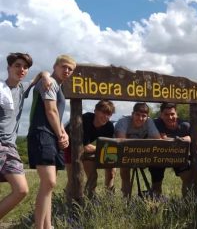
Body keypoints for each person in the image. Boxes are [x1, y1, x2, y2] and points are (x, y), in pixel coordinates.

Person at [27, 55, 76, 229]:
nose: (67, 71)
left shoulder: (56, 85)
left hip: (52, 135)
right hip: (42, 134)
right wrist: (60, 134)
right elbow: (51, 111)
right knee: (49, 182)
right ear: (55, 66)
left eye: (70, 69)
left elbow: (57, 116)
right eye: (64, 67)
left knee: (49, 185)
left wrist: (63, 133)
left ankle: (48, 226)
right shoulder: (50, 83)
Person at [0, 53, 50, 219]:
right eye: (17, 65)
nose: (21, 69)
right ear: (9, 68)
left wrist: (46, 76)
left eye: (25, 67)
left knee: (21, 190)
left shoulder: (23, 88)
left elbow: (41, 74)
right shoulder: (0, 89)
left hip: (11, 148)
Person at [64, 100, 115, 198]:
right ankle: (68, 202)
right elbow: (86, 147)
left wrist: (101, 148)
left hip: (84, 146)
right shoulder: (85, 119)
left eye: (109, 114)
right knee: (73, 179)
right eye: (103, 112)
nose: (106, 116)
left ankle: (90, 200)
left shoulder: (109, 126)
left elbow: (109, 147)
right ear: (95, 111)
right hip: (69, 144)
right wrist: (101, 148)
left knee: (93, 176)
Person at [114, 102, 160, 197]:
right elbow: (121, 141)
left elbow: (157, 139)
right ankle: (125, 198)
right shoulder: (123, 121)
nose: (140, 118)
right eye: (137, 115)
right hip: (122, 153)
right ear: (132, 114)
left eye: (143, 116)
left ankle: (154, 196)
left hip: (139, 152)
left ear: (147, 117)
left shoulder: (149, 122)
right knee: (125, 170)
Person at [149, 102, 191, 196]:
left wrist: (185, 139)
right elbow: (163, 140)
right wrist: (182, 140)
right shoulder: (156, 123)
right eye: (166, 114)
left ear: (177, 113)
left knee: (188, 178)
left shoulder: (185, 125)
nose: (170, 117)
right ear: (161, 115)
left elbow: (192, 140)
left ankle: (187, 203)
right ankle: (155, 205)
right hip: (160, 156)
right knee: (156, 184)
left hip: (178, 156)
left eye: (172, 114)